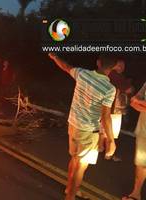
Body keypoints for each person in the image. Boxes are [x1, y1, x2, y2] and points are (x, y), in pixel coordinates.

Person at [48, 53, 117, 200]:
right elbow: (105, 116)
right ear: (113, 68)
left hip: (73, 124)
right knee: (81, 166)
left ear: (98, 63)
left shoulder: (82, 74)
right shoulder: (109, 89)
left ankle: (69, 189)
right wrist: (111, 140)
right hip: (88, 130)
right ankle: (71, 196)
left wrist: (54, 57)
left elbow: (66, 66)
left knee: (74, 159)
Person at [122, 82, 146, 200]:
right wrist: (138, 101)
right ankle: (136, 193)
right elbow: (134, 100)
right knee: (141, 164)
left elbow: (138, 102)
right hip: (143, 129)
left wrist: (140, 103)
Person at [107, 59, 134, 162]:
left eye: (123, 65)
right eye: (119, 65)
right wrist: (129, 84)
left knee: (109, 131)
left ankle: (106, 151)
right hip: (115, 109)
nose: (121, 67)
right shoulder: (115, 75)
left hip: (115, 109)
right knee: (115, 133)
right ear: (113, 65)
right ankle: (111, 153)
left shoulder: (115, 75)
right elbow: (129, 89)